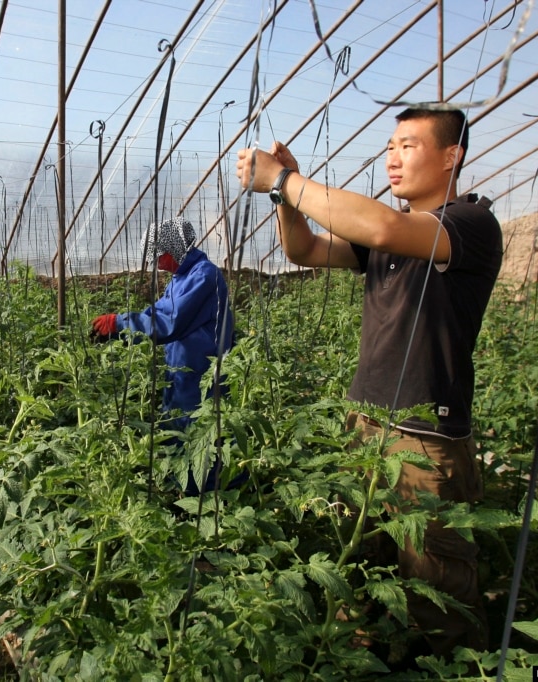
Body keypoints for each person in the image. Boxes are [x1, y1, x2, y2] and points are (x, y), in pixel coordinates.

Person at [236, 106, 502, 657]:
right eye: (388, 145)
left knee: (436, 593)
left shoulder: (470, 225)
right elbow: (303, 249)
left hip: (425, 441)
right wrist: (284, 198)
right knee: (363, 572)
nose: (392, 156)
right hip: (367, 426)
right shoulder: (387, 240)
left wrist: (286, 179)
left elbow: (384, 224)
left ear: (452, 156)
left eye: (408, 145)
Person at [91, 217, 236, 495]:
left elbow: (170, 321)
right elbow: (156, 312)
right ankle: (179, 489)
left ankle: (206, 496)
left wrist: (121, 323)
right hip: (182, 370)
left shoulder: (204, 275)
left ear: (177, 248)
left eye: (160, 254)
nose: (157, 262)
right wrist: (119, 326)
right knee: (177, 428)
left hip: (201, 373)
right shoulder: (180, 278)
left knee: (201, 434)